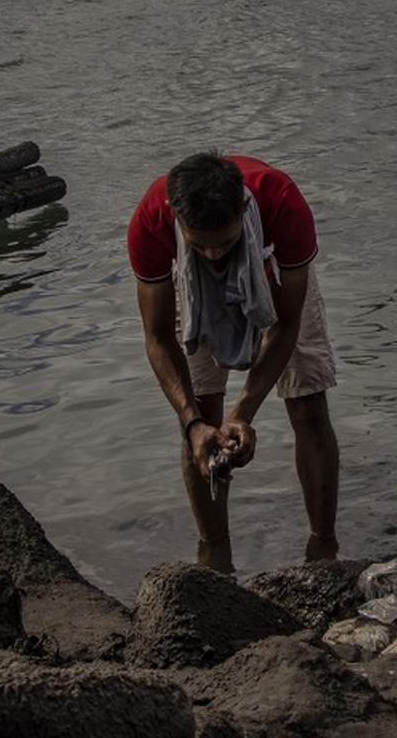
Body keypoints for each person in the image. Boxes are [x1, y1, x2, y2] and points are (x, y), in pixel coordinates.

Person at [126, 151, 340, 570]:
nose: (213, 256)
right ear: (176, 218)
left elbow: (287, 322)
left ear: (242, 210)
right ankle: (216, 557)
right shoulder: (151, 221)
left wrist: (244, 412)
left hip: (271, 268)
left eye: (223, 242)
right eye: (199, 244)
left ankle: (324, 550)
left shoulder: (282, 203)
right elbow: (157, 337)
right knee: (201, 429)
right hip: (187, 288)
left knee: (308, 403)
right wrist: (192, 422)